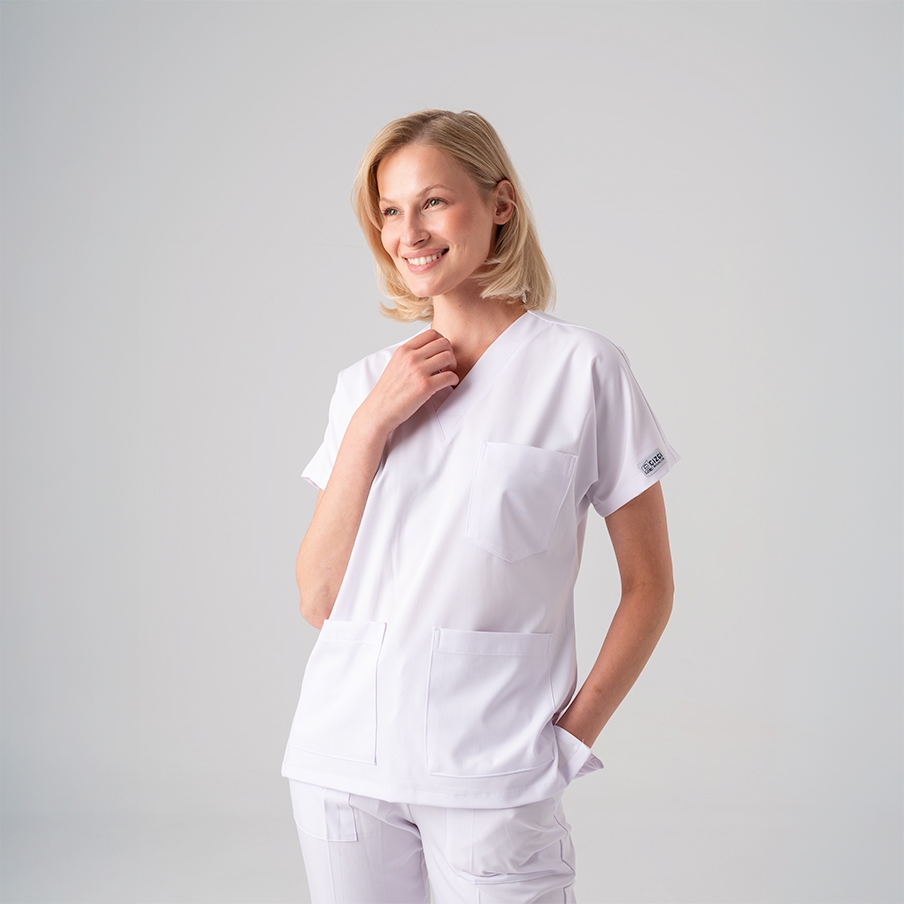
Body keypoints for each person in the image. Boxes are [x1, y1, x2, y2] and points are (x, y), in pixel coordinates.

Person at [282, 109, 678, 904]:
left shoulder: (581, 370)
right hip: (342, 761)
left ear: (500, 203)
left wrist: (570, 739)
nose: (409, 233)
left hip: (495, 769)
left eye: (433, 201)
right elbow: (318, 596)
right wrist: (371, 426)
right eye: (390, 211)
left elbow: (650, 586)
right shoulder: (363, 387)